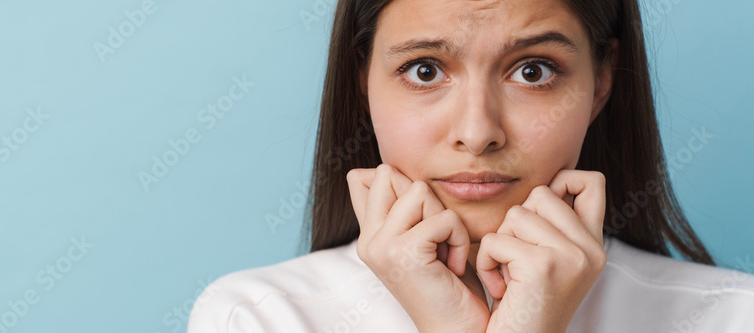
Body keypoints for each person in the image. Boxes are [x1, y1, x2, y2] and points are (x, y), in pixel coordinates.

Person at [187, 0, 754, 331]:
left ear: (601, 81)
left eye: (533, 71)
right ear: (363, 81)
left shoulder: (727, 319)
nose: (478, 132)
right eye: (426, 71)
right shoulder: (263, 319)